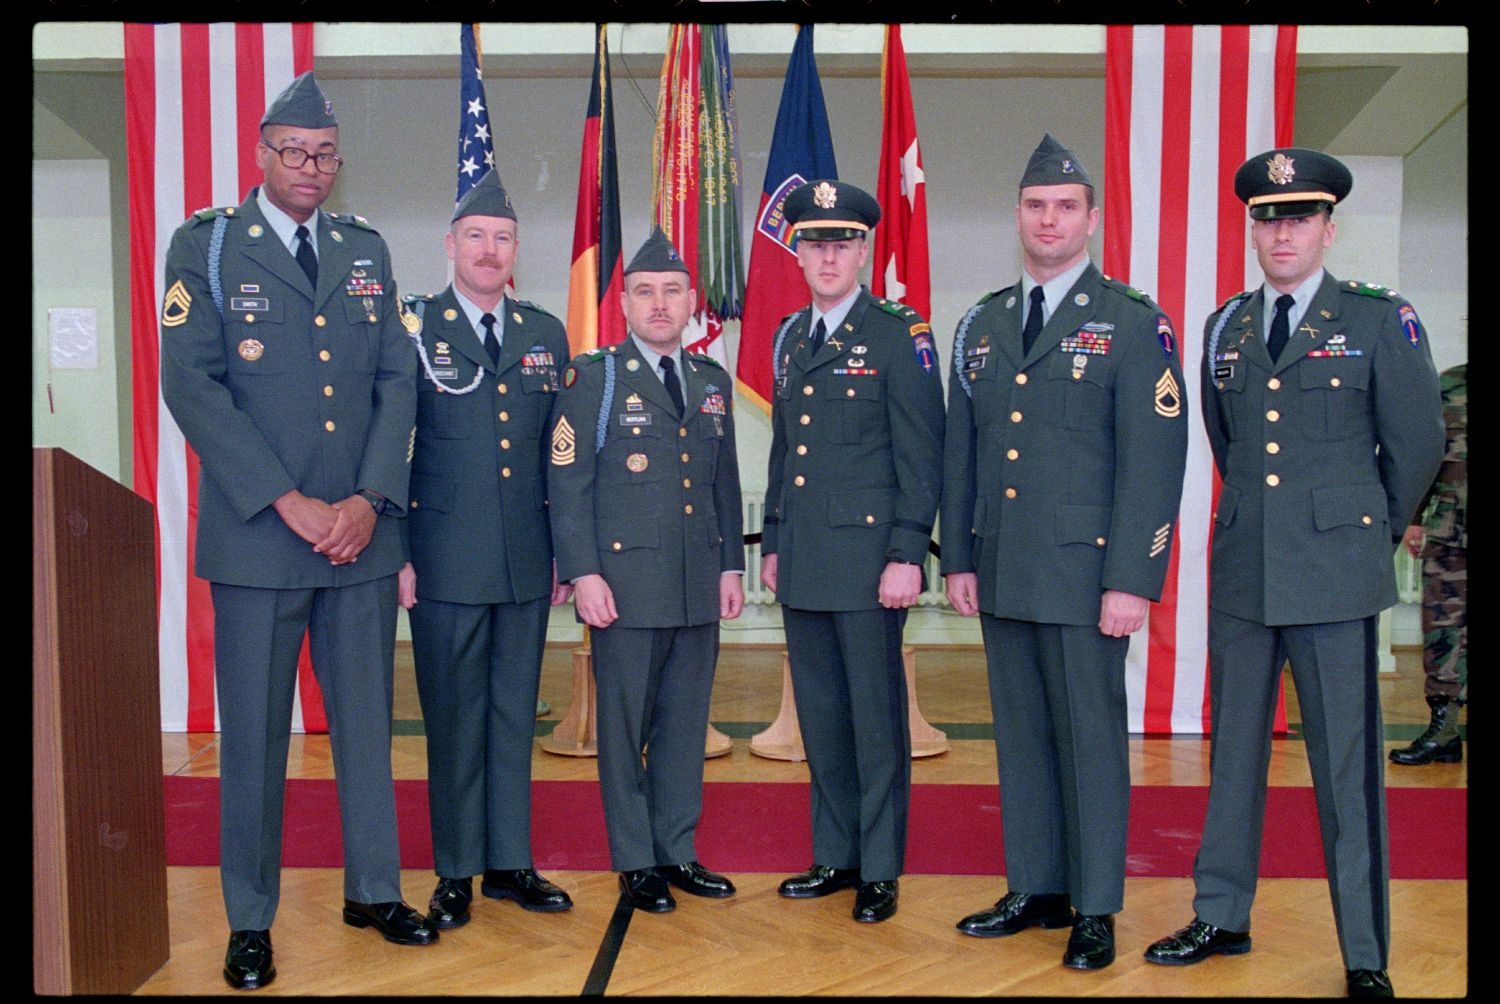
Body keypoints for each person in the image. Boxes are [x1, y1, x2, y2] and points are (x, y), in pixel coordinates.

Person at [1143, 148, 1444, 999]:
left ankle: (1364, 952)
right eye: (1269, 218)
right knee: (1231, 753)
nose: (1283, 231)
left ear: (1327, 227)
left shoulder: (1381, 320)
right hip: (1246, 569)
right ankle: (1221, 913)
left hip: (1337, 575)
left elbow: (1417, 445)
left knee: (1346, 769)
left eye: (1299, 217)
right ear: (1252, 229)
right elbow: (1228, 440)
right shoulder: (1224, 327)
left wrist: (1363, 530)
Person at [158, 72, 433, 992]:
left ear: (337, 161)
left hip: (358, 540)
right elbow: (192, 385)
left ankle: (375, 889)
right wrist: (288, 500)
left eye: (323, 154)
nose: (308, 167)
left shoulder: (367, 250)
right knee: (256, 740)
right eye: (292, 151)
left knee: (365, 729)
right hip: (259, 541)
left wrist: (368, 500)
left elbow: (399, 380)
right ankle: (249, 919)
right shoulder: (205, 247)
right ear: (262, 155)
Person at [941, 134, 1188, 970]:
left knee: (1089, 739)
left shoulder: (1129, 320)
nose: (1050, 219)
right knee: (1020, 736)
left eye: (1066, 207)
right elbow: (962, 452)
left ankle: (1096, 904)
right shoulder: (985, 321)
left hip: (1088, 576)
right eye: (1037, 205)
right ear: (1019, 216)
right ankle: (1037, 885)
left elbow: (1155, 465)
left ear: (1091, 220)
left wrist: (1132, 578)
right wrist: (960, 558)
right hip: (1004, 566)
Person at [761, 179, 945, 925]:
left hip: (873, 563)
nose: (827, 254)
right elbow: (784, 453)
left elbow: (921, 453)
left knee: (875, 721)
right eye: (814, 242)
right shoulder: (787, 334)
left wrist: (909, 552)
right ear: (798, 254)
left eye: (841, 242)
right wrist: (772, 541)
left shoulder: (900, 334)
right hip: (805, 557)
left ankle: (880, 867)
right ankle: (835, 855)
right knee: (824, 718)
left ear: (865, 250)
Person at [396, 169, 575, 930]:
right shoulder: (411, 328)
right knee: (453, 719)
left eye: (502, 238)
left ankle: (509, 863)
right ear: (450, 246)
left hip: (526, 561)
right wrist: (399, 553)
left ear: (516, 251)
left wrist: (568, 549)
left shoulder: (543, 333)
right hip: (440, 558)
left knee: (510, 717)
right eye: (476, 236)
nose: (489, 249)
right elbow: (391, 449)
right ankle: (454, 871)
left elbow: (559, 456)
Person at [547, 228, 745, 913]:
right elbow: (566, 482)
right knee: (624, 730)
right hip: (624, 588)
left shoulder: (710, 380)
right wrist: (584, 574)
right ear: (624, 304)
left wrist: (731, 568)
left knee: (686, 726)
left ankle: (677, 850)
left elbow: (723, 483)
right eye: (643, 292)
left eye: (671, 292)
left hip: (695, 583)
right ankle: (635, 861)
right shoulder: (594, 378)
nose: (659, 304)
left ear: (692, 301)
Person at [1391, 362, 1467, 765]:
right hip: (1451, 532)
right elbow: (1425, 453)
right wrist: (1414, 518)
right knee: (1442, 630)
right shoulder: (1449, 384)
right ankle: (1444, 730)